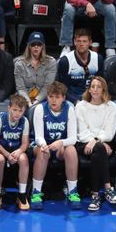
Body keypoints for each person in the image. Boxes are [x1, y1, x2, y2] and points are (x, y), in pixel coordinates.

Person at [30, 80, 80, 210]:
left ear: (63, 98)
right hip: (42, 145)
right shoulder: (40, 109)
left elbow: (73, 138)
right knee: (43, 151)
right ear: (47, 97)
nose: (53, 100)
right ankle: (36, 192)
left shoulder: (69, 110)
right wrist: (44, 144)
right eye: (51, 96)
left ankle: (72, 191)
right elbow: (38, 136)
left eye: (57, 97)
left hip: (60, 148)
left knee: (71, 150)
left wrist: (60, 143)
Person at [76, 76, 116, 212]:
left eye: (98, 87)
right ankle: (108, 188)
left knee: (98, 152)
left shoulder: (111, 106)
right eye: (92, 86)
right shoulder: (80, 106)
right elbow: (82, 131)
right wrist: (94, 141)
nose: (95, 89)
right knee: (100, 148)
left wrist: (96, 141)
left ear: (104, 90)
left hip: (103, 143)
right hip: (84, 143)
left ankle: (95, 195)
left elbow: (109, 132)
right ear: (89, 89)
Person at [0, 94, 30, 211]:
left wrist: (18, 152)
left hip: (16, 150)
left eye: (20, 111)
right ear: (8, 108)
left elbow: (25, 143)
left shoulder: (25, 121)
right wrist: (7, 155)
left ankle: (22, 194)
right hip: (2, 150)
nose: (17, 113)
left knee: (24, 159)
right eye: (14, 110)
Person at [56, 28, 103, 105]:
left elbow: (101, 84)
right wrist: (76, 101)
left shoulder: (98, 59)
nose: (81, 44)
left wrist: (95, 99)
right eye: (79, 41)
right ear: (74, 42)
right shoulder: (65, 61)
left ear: (90, 43)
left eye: (84, 41)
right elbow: (63, 88)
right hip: (72, 99)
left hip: (93, 96)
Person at [13, 31, 57, 107]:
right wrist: (28, 102)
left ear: (43, 46)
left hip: (44, 99)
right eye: (33, 44)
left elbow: (47, 86)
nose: (36, 47)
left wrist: (37, 100)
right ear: (29, 46)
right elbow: (20, 88)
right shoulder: (19, 64)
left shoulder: (51, 62)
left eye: (39, 44)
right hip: (24, 100)